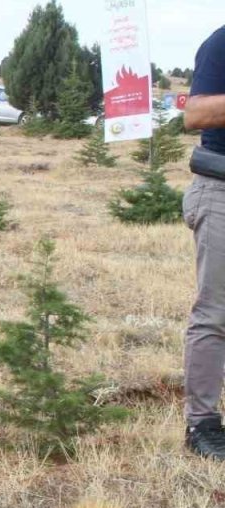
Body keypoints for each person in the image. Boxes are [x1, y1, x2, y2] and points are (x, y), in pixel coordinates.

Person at [182, 24, 225, 459]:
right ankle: (203, 424)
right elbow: (195, 113)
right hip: (221, 190)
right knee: (216, 314)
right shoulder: (221, 42)